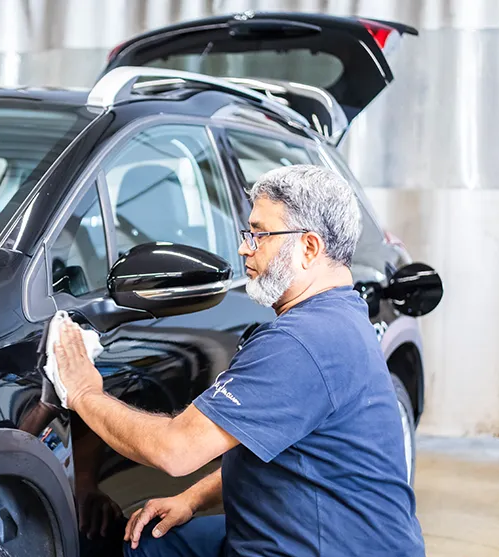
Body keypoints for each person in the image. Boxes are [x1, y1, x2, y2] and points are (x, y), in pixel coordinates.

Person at [53, 164, 425, 557]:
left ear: (309, 248)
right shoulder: (342, 314)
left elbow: (175, 450)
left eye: (260, 235)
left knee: (139, 547)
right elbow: (273, 450)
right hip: (326, 534)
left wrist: (84, 393)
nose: (246, 248)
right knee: (149, 542)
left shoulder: (301, 342)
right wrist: (192, 499)